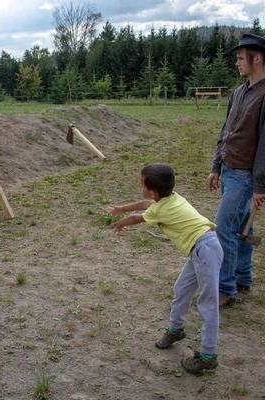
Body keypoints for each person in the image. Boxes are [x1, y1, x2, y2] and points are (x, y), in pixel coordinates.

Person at [108, 163, 223, 374]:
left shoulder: (161, 207)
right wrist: (122, 208)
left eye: (141, 184)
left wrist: (121, 222)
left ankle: (208, 356)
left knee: (207, 304)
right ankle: (176, 329)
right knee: (181, 290)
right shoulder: (170, 198)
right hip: (199, 248)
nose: (141, 188)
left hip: (205, 251)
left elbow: (138, 218)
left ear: (153, 191)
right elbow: (146, 204)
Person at [207, 33, 265, 308]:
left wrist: (260, 185)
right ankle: (243, 276)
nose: (237, 63)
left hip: (245, 176)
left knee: (224, 229)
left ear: (258, 58)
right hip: (229, 171)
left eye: (241, 58)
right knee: (243, 226)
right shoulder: (239, 92)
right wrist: (216, 165)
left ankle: (225, 288)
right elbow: (226, 131)